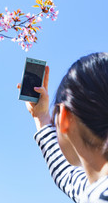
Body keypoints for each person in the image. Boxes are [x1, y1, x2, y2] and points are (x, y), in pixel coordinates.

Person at [17, 52, 108, 203]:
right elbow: (68, 177)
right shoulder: (94, 188)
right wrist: (41, 117)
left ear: (65, 118)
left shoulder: (98, 196)